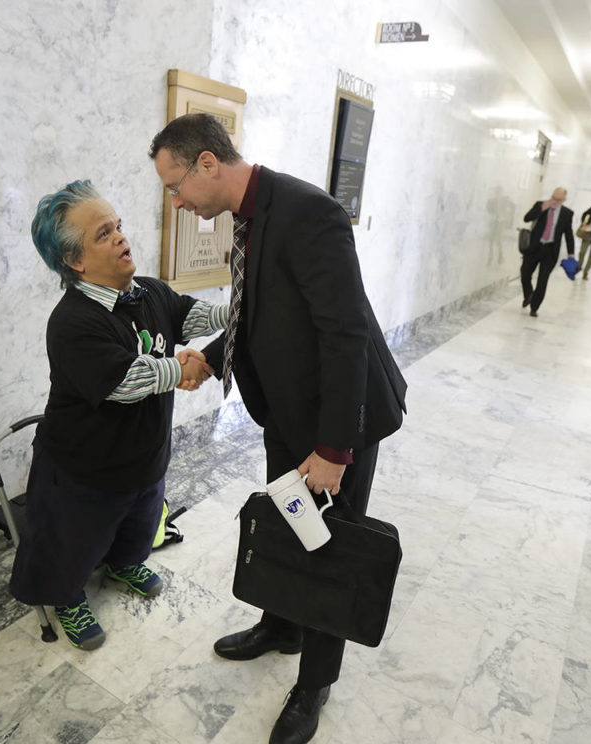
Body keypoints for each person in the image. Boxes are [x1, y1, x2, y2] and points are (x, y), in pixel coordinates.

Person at [149, 113, 407, 744]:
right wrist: (211, 358)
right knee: (290, 523)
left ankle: (315, 682)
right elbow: (260, 311)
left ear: (208, 163)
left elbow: (344, 335)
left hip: (335, 420)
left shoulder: (308, 212)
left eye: (175, 184)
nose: (176, 201)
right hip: (288, 410)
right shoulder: (251, 215)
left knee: (328, 546)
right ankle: (282, 625)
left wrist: (334, 449)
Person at [8, 180, 225, 651]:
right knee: (72, 544)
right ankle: (67, 597)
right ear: (75, 261)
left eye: (119, 226)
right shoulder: (72, 323)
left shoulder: (149, 293)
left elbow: (194, 316)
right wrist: (183, 368)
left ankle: (125, 563)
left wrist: (240, 312)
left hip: (143, 457)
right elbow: (125, 382)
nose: (122, 238)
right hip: (82, 470)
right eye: (104, 234)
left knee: (139, 522)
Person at [520, 187, 575, 317]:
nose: (554, 201)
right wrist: (542, 208)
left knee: (542, 280)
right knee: (525, 273)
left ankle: (534, 307)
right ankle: (528, 294)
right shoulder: (540, 205)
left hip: (550, 251)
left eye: (558, 199)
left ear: (564, 200)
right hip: (534, 247)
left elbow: (568, 234)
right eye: (553, 197)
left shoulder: (567, 213)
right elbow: (527, 218)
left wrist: (571, 253)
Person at [485, 185, 515, 264]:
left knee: (498, 239)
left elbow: (512, 207)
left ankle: (500, 256)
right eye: (496, 190)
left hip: (500, 222)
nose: (497, 192)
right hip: (493, 221)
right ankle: (491, 256)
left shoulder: (505, 199)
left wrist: (507, 217)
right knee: (491, 239)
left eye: (499, 190)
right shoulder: (492, 200)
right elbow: (488, 209)